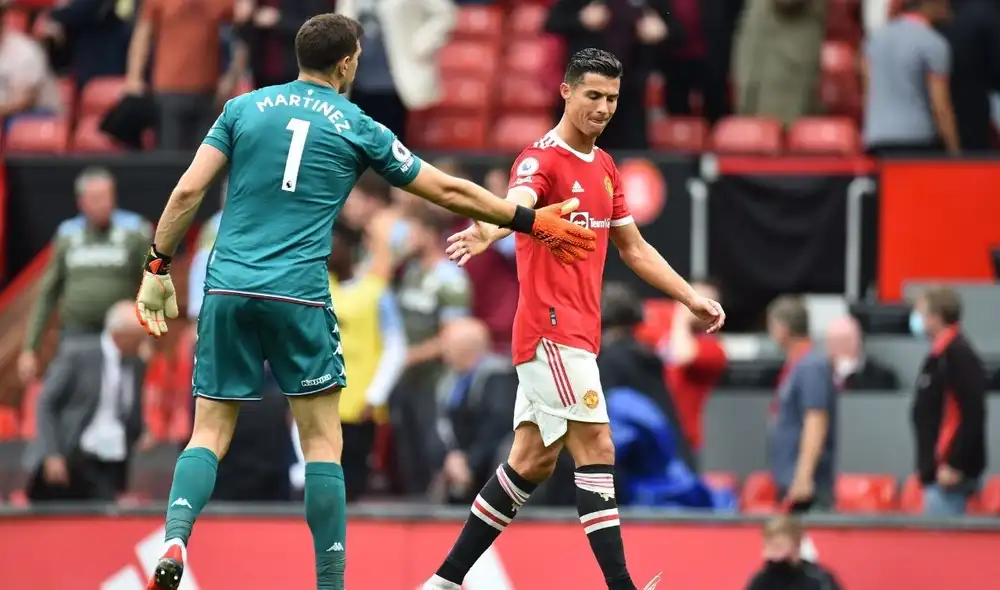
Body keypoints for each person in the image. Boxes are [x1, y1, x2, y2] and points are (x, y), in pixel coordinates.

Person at [132, 14, 596, 590]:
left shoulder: (242, 108)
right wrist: (527, 219)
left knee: (209, 432)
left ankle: (177, 535)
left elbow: (187, 191)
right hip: (298, 293)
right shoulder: (356, 125)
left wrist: (157, 266)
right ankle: (330, 583)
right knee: (324, 439)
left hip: (228, 286)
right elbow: (447, 190)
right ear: (349, 63)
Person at [424, 48, 725, 590]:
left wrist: (687, 297)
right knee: (598, 446)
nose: (603, 108)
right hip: (551, 329)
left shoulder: (605, 166)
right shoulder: (541, 158)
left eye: (611, 98)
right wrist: (488, 231)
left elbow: (633, 248)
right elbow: (513, 204)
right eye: (593, 95)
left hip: (578, 334)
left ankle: (443, 582)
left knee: (530, 462)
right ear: (565, 91)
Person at [23, 301, 148, 502]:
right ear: (119, 335)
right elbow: (46, 403)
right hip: (73, 457)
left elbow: (129, 406)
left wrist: (141, 431)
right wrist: (52, 453)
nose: (143, 344)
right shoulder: (78, 355)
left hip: (111, 461)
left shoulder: (136, 364)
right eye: (138, 338)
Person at [910, 286, 986, 516]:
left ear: (936, 317)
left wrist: (954, 464)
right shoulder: (937, 356)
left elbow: (973, 413)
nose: (918, 320)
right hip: (936, 474)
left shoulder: (959, 355)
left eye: (922, 313)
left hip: (949, 476)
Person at [766, 297, 838, 512]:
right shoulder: (798, 364)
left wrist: (803, 477)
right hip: (791, 479)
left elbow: (815, 419)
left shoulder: (811, 366)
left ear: (782, 328)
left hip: (806, 487)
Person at [744, 516, 843, 590]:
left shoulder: (818, 579)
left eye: (778, 546)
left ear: (797, 546)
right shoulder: (760, 580)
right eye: (767, 546)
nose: (770, 552)